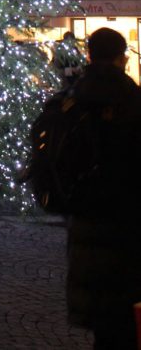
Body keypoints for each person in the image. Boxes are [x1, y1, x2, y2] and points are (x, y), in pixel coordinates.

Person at [66, 27, 141, 349]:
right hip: (127, 219)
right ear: (122, 57)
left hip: (84, 217)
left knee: (102, 318)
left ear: (88, 55)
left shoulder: (72, 99)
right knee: (124, 313)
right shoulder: (132, 98)